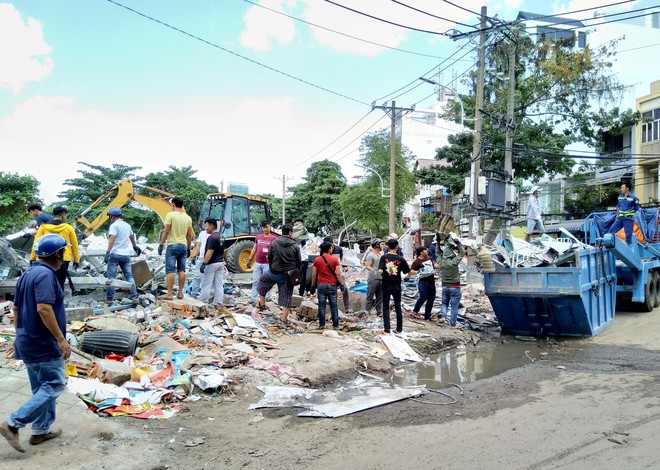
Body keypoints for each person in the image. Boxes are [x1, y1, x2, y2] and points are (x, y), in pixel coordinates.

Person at [0, 234, 71, 453]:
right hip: (44, 342)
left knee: (41, 387)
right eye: (63, 252)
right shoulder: (45, 276)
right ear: (57, 254)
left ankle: (40, 430)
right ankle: (13, 423)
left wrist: (18, 335)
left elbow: (16, 308)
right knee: (55, 384)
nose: (64, 257)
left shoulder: (27, 274)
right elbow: (43, 308)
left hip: (28, 340)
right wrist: (61, 339)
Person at [255, 224, 301, 323]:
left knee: (262, 283)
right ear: (290, 233)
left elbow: (270, 257)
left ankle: (262, 305)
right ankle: (284, 319)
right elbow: (299, 262)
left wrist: (272, 267)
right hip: (287, 276)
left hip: (273, 272)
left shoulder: (274, 242)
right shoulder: (295, 245)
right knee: (287, 296)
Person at [30, 206, 80, 291]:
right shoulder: (69, 228)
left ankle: (47, 301)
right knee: (60, 283)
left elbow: (36, 243)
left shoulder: (43, 227)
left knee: (46, 282)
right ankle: (59, 302)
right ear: (63, 216)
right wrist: (76, 260)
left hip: (46, 258)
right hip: (63, 259)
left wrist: (33, 258)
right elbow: (74, 245)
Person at [158, 197, 194, 300]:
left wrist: (161, 244)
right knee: (182, 270)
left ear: (173, 204)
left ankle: (169, 294)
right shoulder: (188, 218)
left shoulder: (170, 215)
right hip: (183, 246)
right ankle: (180, 293)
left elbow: (166, 231)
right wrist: (188, 248)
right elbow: (189, 235)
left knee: (170, 270)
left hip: (172, 245)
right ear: (182, 205)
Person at [104, 207, 142, 304]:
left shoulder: (114, 225)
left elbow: (112, 239)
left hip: (115, 254)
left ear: (112, 216)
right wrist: (135, 247)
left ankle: (109, 299)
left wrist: (108, 252)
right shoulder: (127, 225)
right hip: (126, 255)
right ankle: (134, 296)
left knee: (111, 277)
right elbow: (132, 237)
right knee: (129, 276)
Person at [379, 238, 410, 334]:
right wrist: (408, 277)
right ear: (397, 246)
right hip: (396, 286)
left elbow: (380, 271)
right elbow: (407, 272)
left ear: (388, 246)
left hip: (386, 285)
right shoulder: (401, 259)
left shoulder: (384, 258)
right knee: (398, 307)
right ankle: (399, 329)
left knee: (385, 307)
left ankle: (387, 328)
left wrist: (383, 272)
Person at [311, 241, 344, 329]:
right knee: (334, 305)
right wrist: (342, 284)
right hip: (332, 285)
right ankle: (335, 325)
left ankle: (322, 325)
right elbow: (338, 273)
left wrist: (312, 286)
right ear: (329, 249)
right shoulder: (334, 259)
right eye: (331, 248)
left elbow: (314, 274)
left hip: (321, 285)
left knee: (322, 306)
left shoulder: (317, 260)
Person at [247, 220, 278, 303]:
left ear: (270, 227)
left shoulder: (274, 238)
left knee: (266, 282)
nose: (265, 229)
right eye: (264, 227)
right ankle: (253, 298)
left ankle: (267, 298)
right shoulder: (258, 237)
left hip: (267, 264)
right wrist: (250, 259)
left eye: (267, 227)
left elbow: (276, 251)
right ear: (261, 228)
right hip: (258, 263)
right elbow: (254, 248)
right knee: (255, 281)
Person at [440, 233, 465, 329]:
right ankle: (453, 324)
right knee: (454, 306)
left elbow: (438, 253)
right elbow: (462, 253)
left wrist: (439, 244)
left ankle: (443, 316)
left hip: (445, 286)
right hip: (455, 287)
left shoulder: (441, 262)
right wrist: (458, 243)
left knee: (444, 303)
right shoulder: (454, 262)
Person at [198, 218, 225, 306]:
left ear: (211, 226)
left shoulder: (212, 238)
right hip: (220, 263)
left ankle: (203, 302)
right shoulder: (221, 236)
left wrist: (204, 263)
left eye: (206, 226)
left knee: (206, 284)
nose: (205, 228)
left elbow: (210, 252)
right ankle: (218, 302)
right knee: (218, 284)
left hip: (212, 263)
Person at [322, 236, 351, 313]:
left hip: (337, 273)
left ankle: (347, 307)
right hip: (327, 274)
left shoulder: (339, 249)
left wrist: (344, 266)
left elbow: (342, 259)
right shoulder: (323, 250)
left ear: (332, 244)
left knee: (344, 288)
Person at [409, 246, 438, 321]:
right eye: (425, 250)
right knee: (423, 296)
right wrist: (419, 272)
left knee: (431, 298)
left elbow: (433, 267)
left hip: (431, 281)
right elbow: (411, 271)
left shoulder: (429, 258)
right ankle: (415, 311)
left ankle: (427, 316)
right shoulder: (416, 262)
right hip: (423, 282)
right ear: (421, 252)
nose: (427, 251)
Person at [609, 182, 640, 246]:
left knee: (628, 233)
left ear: (627, 188)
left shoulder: (633, 198)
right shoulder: (620, 197)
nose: (621, 189)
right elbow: (618, 206)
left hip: (628, 218)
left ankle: (628, 247)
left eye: (622, 187)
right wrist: (617, 216)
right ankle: (610, 243)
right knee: (612, 229)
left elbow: (636, 208)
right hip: (620, 218)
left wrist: (630, 213)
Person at [188, 226, 211, 298]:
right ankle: (194, 294)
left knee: (208, 278)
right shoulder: (202, 234)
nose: (206, 227)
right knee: (197, 276)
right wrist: (194, 256)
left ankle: (208, 295)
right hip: (201, 257)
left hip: (210, 258)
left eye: (207, 225)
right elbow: (199, 246)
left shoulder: (214, 235)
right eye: (206, 225)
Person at [363, 238, 383, 316]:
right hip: (373, 278)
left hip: (380, 278)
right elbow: (368, 266)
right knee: (370, 295)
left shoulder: (380, 255)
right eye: (381, 244)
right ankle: (367, 311)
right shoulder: (370, 255)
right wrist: (375, 272)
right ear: (377, 245)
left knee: (380, 296)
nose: (382, 245)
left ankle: (379, 311)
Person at [293, 219, 310, 297]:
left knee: (302, 277)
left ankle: (301, 293)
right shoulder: (294, 235)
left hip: (303, 260)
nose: (297, 226)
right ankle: (295, 292)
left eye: (299, 225)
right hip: (296, 260)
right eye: (296, 225)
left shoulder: (303, 236)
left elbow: (303, 241)